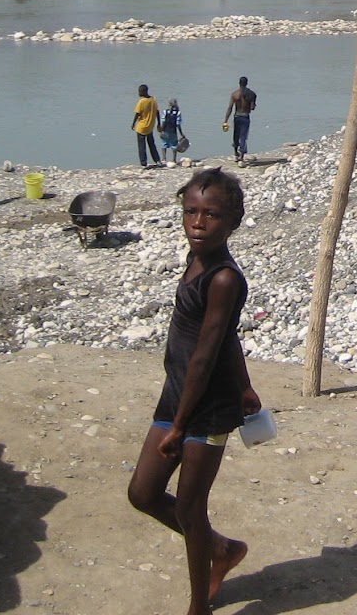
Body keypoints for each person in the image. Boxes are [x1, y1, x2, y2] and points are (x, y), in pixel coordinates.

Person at [127, 168, 259, 615]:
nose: (198, 223)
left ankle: (198, 608)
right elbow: (230, 338)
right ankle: (221, 550)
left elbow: (206, 356)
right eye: (191, 212)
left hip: (206, 410)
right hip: (177, 395)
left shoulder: (224, 279)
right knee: (142, 494)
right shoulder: (195, 260)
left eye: (212, 215)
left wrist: (181, 426)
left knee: (189, 508)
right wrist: (247, 383)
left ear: (233, 221)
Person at [222, 77, 256, 164]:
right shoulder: (251, 94)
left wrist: (225, 120)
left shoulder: (234, 94)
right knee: (243, 137)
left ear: (239, 83)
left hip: (237, 116)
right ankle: (241, 156)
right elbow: (252, 108)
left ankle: (235, 154)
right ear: (247, 83)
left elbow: (230, 108)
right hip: (245, 116)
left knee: (236, 135)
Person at [134, 84, 162, 168]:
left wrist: (133, 123)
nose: (138, 93)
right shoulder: (153, 100)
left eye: (139, 91)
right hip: (150, 127)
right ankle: (157, 160)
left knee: (141, 146)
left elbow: (137, 114)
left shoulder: (141, 101)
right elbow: (157, 112)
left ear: (143, 91)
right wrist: (158, 123)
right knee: (152, 144)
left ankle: (143, 163)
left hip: (141, 127)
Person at [160, 98, 186, 165]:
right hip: (173, 131)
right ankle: (174, 159)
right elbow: (178, 124)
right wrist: (181, 134)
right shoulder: (178, 112)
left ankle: (164, 158)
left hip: (165, 130)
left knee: (164, 144)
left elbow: (163, 122)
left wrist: (161, 131)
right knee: (174, 145)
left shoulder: (165, 111)